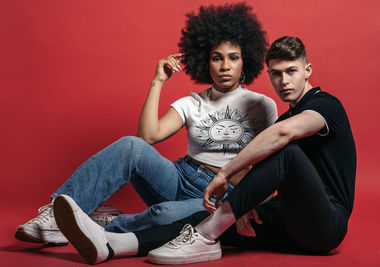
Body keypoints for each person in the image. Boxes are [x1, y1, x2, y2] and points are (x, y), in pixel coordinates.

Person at [50, 36, 356, 265]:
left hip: (325, 225)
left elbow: (283, 136)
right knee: (193, 220)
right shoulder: (280, 113)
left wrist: (226, 174)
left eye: (291, 71)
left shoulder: (325, 105)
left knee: (284, 151)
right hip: (285, 221)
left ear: (307, 70)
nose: (283, 81)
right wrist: (246, 204)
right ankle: (114, 243)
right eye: (276, 73)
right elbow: (148, 136)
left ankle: (206, 234)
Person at [15, 3, 277, 246]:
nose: (225, 66)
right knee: (131, 146)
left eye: (233, 57)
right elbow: (147, 137)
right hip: (180, 177)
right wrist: (158, 82)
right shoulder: (193, 102)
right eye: (217, 58)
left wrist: (251, 200)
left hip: (221, 195)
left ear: (245, 61)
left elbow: (275, 161)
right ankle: (57, 216)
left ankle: (94, 226)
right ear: (205, 62)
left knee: (163, 215)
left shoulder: (262, 105)